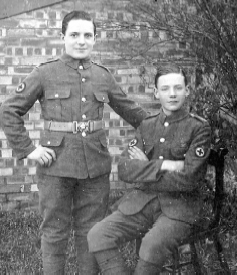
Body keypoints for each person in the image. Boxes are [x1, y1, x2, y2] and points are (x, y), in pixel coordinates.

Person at [0, 10, 148, 275]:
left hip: (95, 166)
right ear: (62, 37)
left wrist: (177, 129)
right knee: (55, 230)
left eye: (87, 35)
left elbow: (134, 113)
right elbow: (8, 110)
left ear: (94, 39)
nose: (81, 41)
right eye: (75, 35)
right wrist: (29, 149)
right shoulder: (45, 74)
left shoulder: (103, 76)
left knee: (90, 230)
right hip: (55, 166)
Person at [87, 63, 211, 274]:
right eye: (165, 89)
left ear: (187, 90)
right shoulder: (147, 126)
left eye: (178, 88)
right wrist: (165, 165)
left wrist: (146, 168)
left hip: (179, 208)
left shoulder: (199, 128)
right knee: (97, 234)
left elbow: (190, 178)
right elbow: (125, 169)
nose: (172, 94)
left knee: (151, 245)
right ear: (156, 92)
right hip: (142, 204)